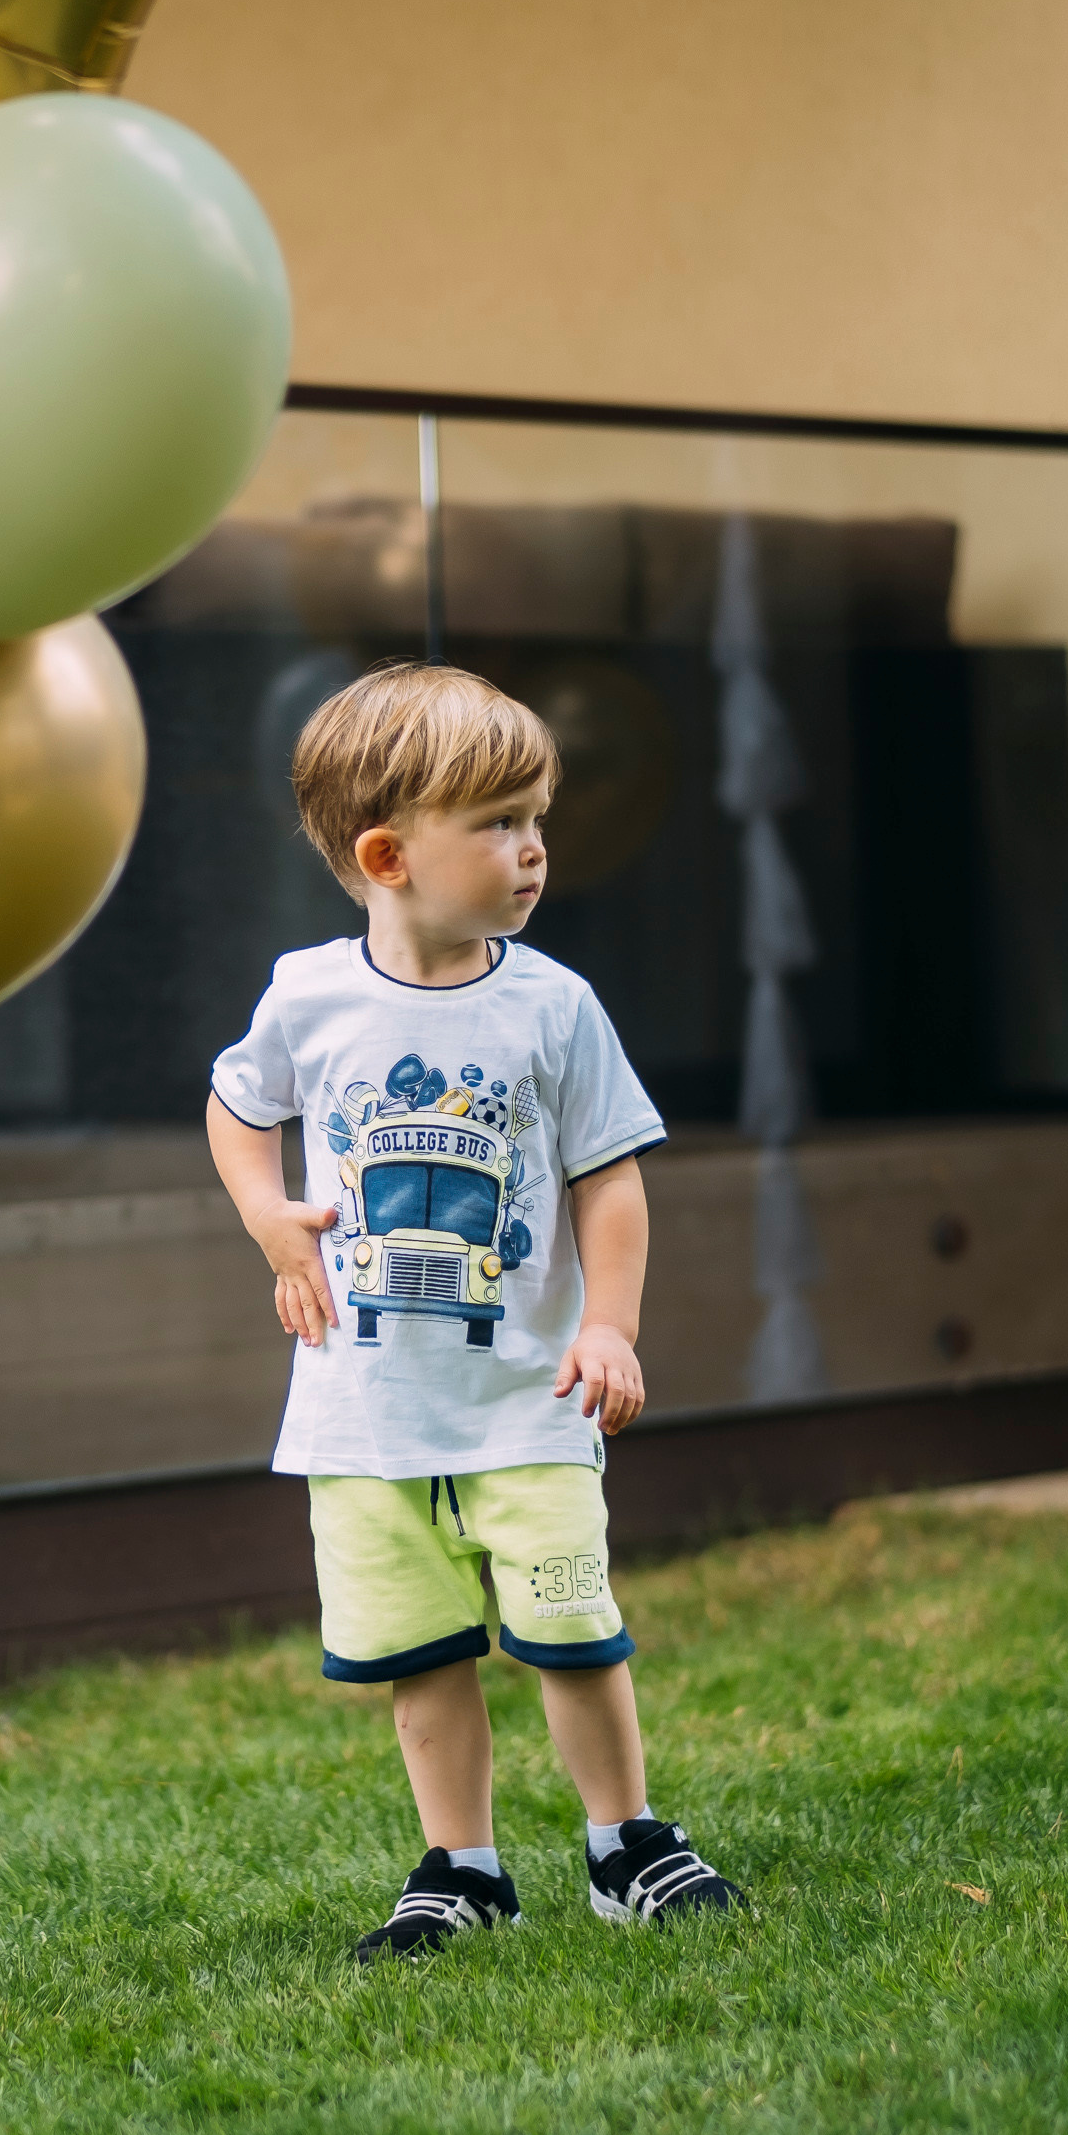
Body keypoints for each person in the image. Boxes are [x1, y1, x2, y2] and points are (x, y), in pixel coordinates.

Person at [208, 659, 745, 1961]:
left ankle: (626, 1843)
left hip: (528, 1401)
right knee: (421, 1658)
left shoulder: (552, 1009)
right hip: (366, 1415)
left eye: (536, 819)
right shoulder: (306, 996)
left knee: (573, 1632)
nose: (534, 849)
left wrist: (607, 1324)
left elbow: (609, 1185)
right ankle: (464, 1866)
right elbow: (237, 1109)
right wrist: (272, 1220)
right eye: (501, 823)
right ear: (389, 854)